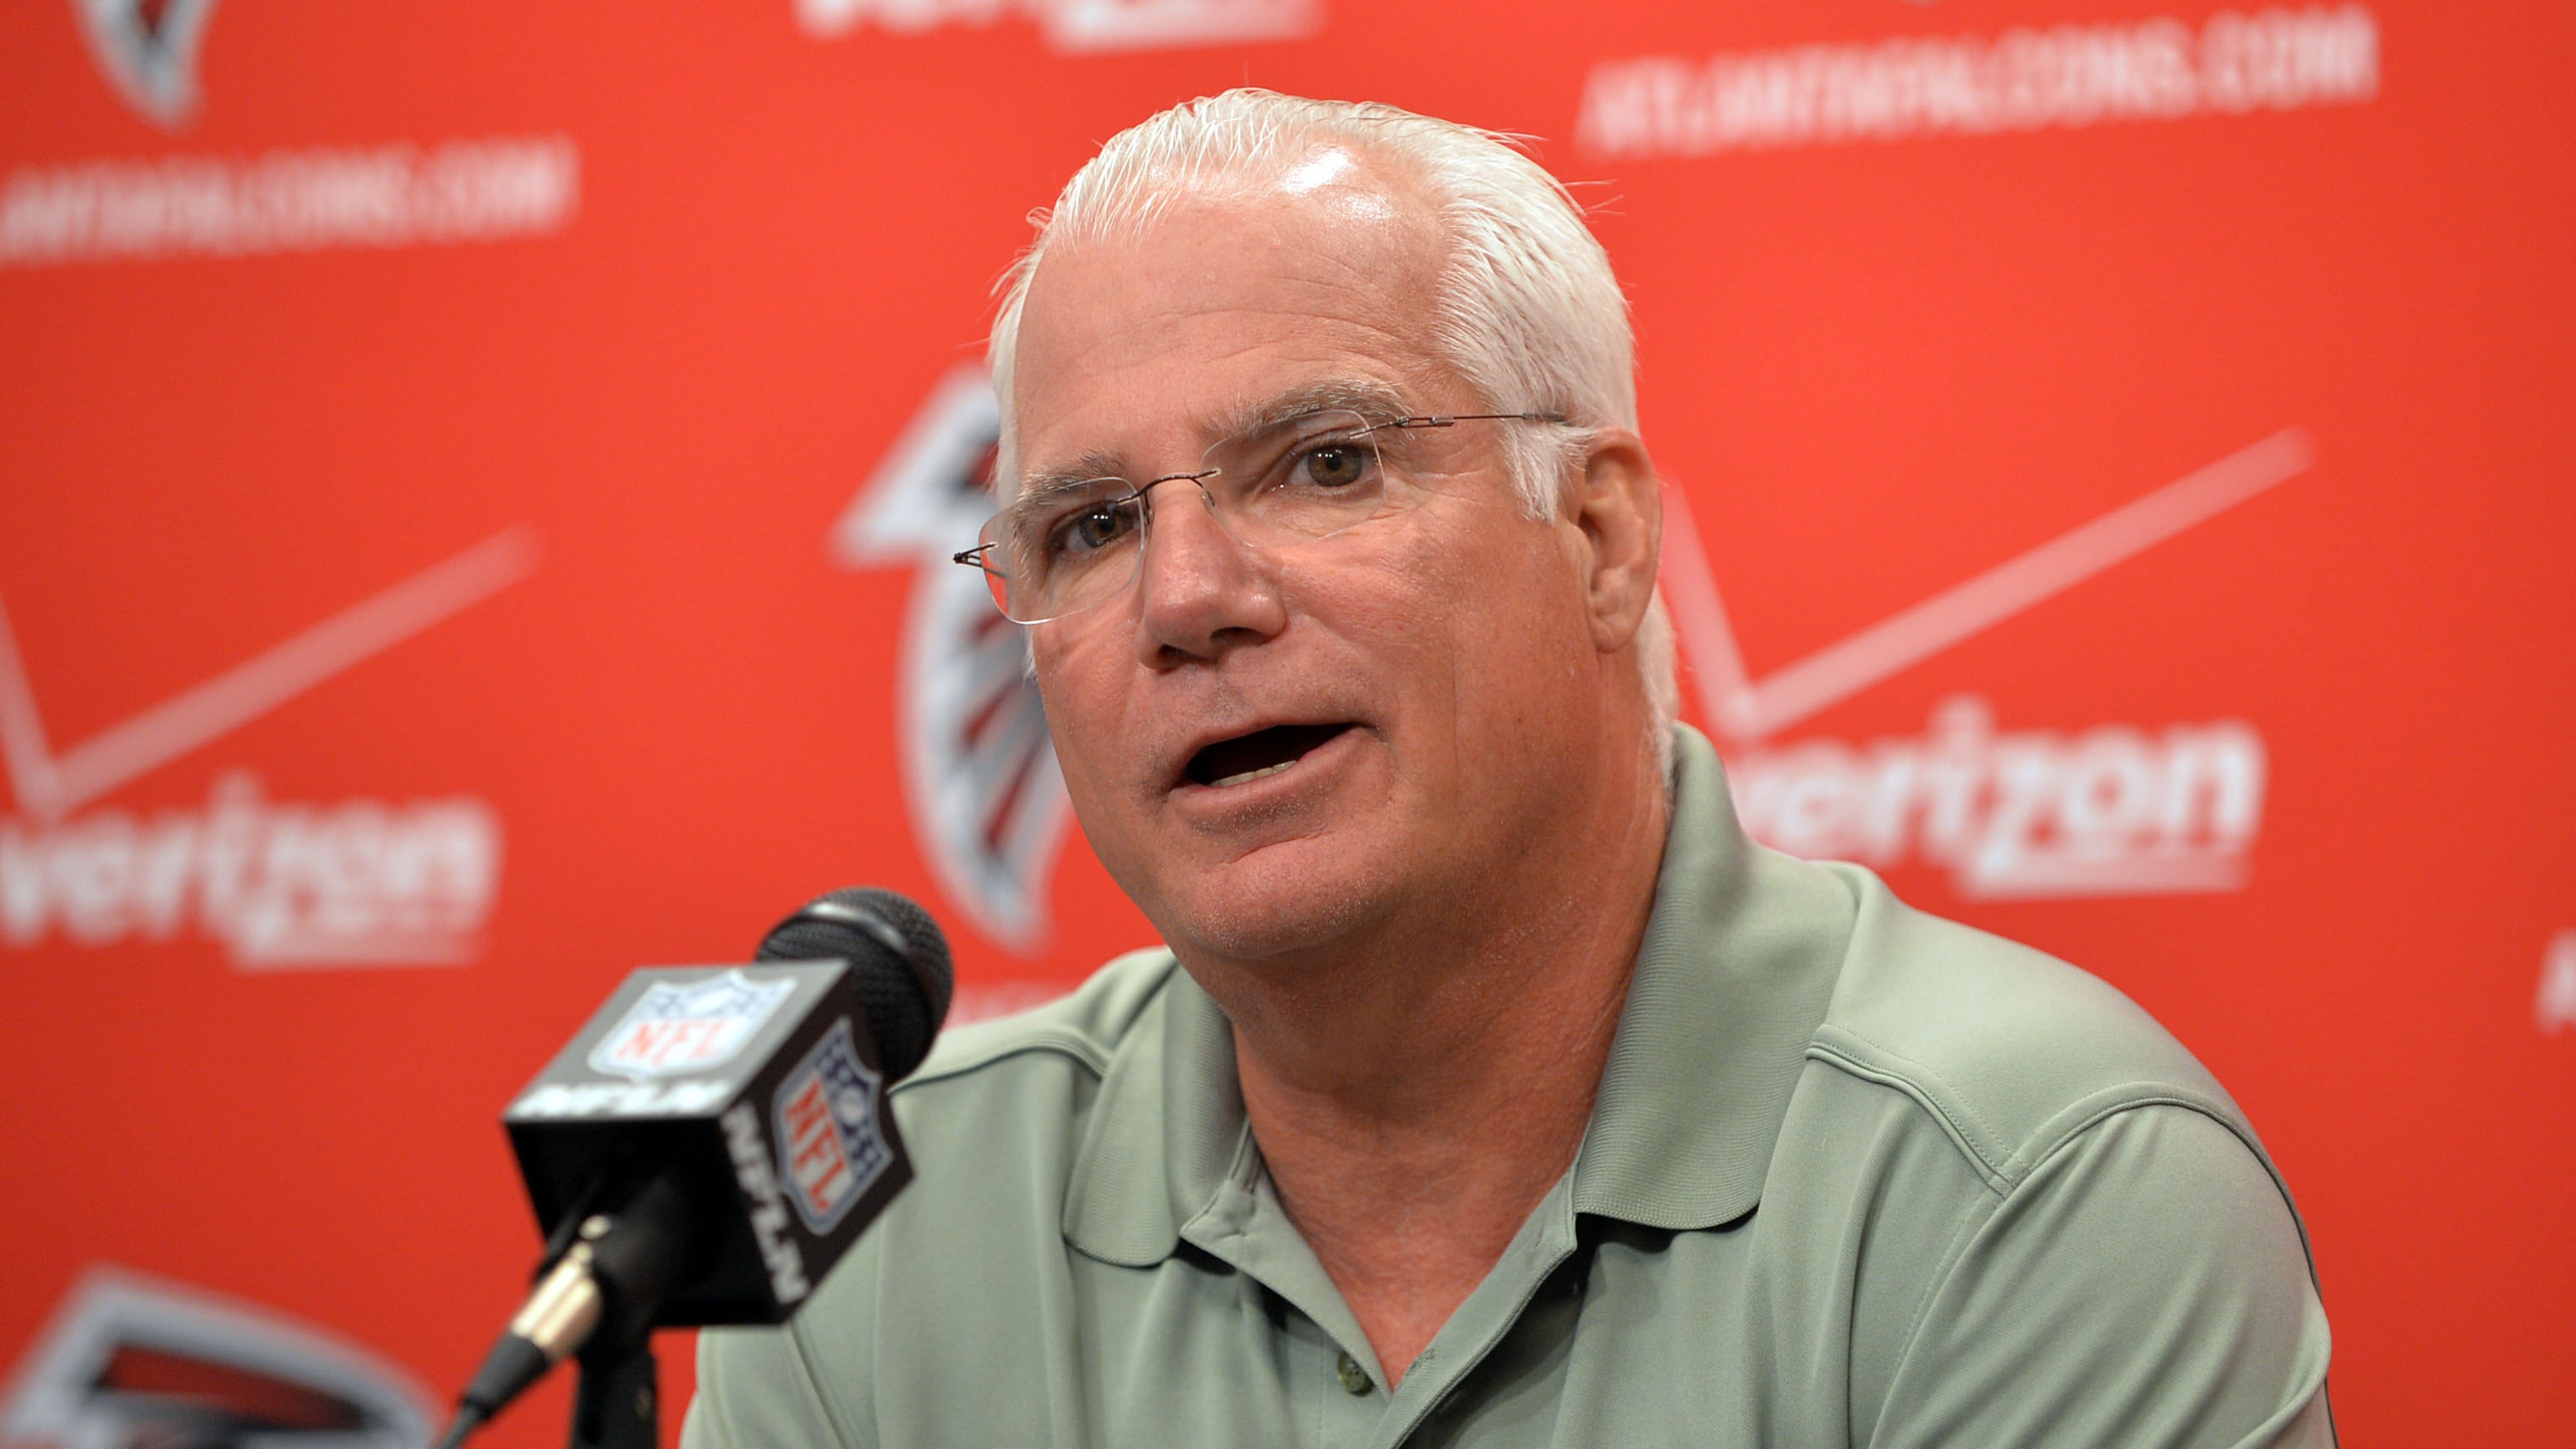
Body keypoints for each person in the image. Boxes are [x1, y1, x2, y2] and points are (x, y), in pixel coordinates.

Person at [684, 90, 2333, 1447]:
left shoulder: (2029, 1187)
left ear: (1600, 537)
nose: (1185, 599)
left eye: (1327, 464)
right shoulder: (882, 1234)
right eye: (1095, 526)